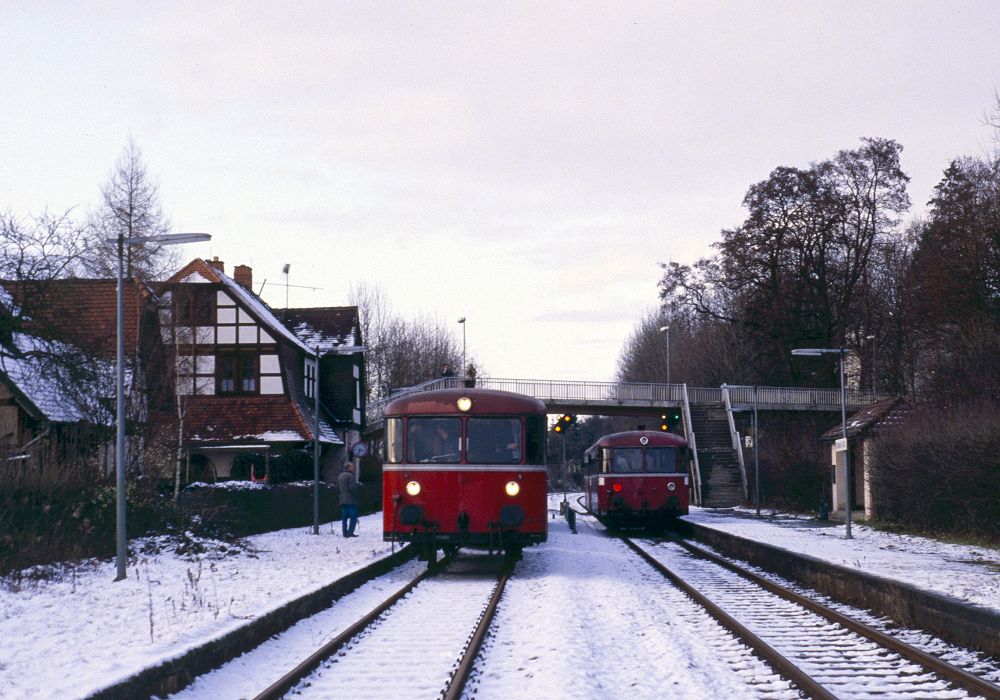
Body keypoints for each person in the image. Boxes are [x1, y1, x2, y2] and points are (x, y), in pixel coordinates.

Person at [338, 462, 360, 537]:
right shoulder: (350, 476)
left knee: (344, 518)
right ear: (348, 468)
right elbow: (352, 488)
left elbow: (337, 488)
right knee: (353, 517)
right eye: (352, 467)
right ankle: (350, 533)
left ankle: (344, 533)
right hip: (350, 499)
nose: (353, 468)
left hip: (342, 499)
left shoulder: (340, 476)